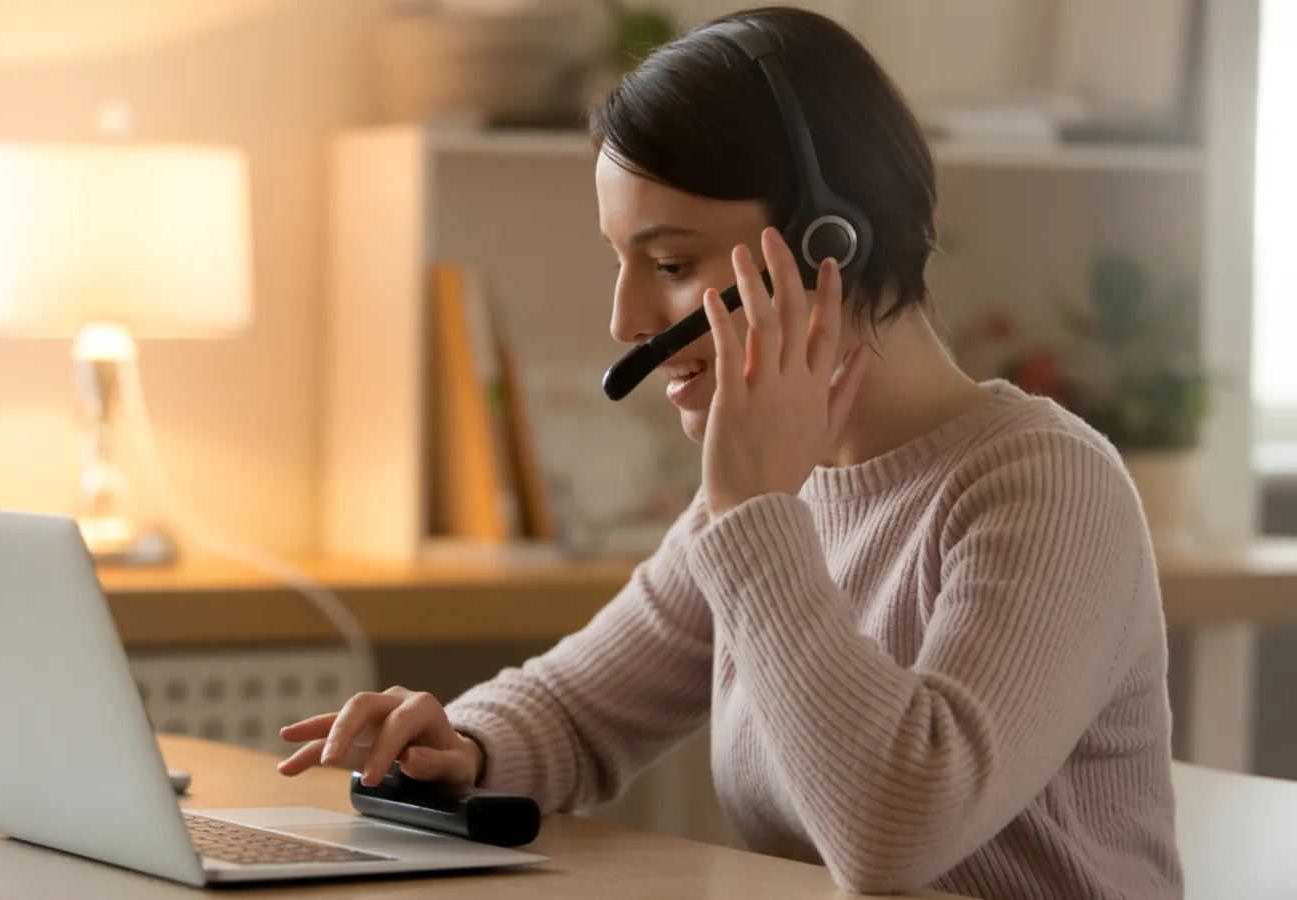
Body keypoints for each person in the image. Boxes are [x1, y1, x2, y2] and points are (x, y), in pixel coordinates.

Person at [278, 7, 1183, 899]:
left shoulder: (1045, 485)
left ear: (834, 244)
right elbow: (579, 711)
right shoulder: (773, 499)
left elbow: (896, 830)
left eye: (671, 266)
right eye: (620, 264)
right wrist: (459, 745)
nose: (627, 322)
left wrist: (754, 509)